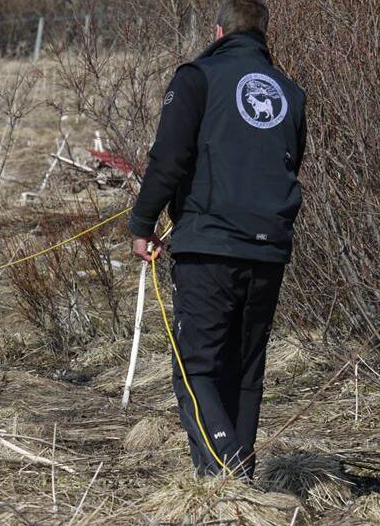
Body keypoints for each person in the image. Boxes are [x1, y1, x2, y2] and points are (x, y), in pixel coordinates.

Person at [129, 0, 307, 479]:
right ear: (265, 33)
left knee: (197, 368)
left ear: (217, 30)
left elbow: (168, 158)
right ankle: (241, 472)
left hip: (209, 247)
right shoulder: (290, 92)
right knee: (245, 370)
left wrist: (143, 225)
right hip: (269, 248)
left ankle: (224, 475)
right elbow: (291, 161)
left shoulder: (198, 77)